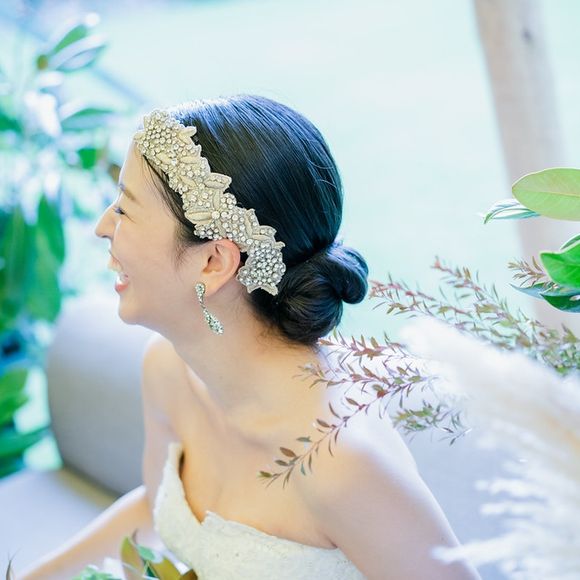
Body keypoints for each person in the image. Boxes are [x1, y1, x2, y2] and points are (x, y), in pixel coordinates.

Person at [21, 94, 481, 579]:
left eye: (125, 209)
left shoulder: (339, 461)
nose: (102, 226)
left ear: (213, 261)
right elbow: (156, 510)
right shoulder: (167, 368)